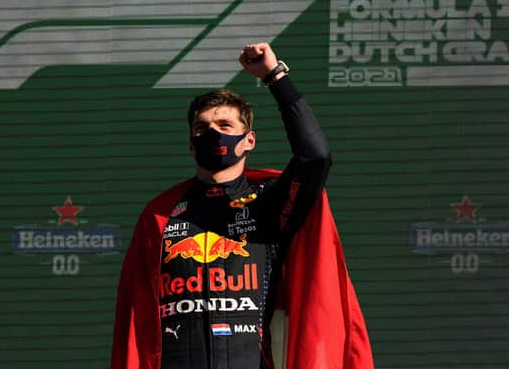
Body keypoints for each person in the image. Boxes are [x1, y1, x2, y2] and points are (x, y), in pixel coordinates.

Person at [111, 43, 373, 369]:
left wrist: (274, 76)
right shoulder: (160, 214)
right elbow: (135, 318)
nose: (212, 133)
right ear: (192, 146)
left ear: (249, 140)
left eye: (224, 126)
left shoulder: (269, 202)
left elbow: (316, 157)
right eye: (202, 128)